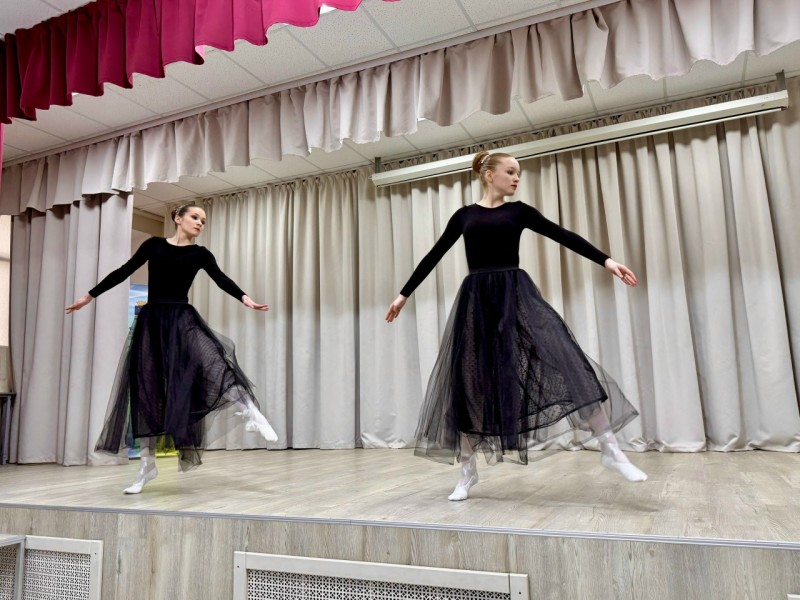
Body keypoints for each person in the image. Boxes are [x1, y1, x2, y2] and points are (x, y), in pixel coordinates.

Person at [386, 151, 646, 501]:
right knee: (471, 385)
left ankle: (611, 449)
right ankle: (467, 470)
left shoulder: (519, 212)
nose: (516, 178)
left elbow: (562, 235)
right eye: (510, 172)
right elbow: (434, 254)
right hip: (477, 302)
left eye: (517, 173)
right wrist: (403, 294)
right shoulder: (464, 216)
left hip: (516, 296)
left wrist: (607, 261)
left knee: (568, 360)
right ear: (489, 174)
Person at [66, 204, 277, 494]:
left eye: (203, 220)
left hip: (181, 318)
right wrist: (89, 296)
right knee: (148, 390)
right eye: (195, 217)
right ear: (178, 218)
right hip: (152, 321)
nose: (200, 223)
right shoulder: (153, 245)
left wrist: (244, 298)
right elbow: (124, 271)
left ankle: (250, 411)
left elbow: (221, 279)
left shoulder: (200, 254)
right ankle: (146, 466)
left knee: (214, 362)